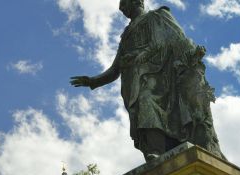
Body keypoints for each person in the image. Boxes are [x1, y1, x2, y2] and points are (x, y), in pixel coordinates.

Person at [71, 0, 226, 162]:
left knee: (147, 99)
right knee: (140, 110)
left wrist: (144, 55)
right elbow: (115, 68)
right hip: (133, 81)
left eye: (124, 4)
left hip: (161, 78)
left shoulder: (158, 16)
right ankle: (154, 154)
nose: (121, 9)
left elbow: (178, 39)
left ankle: (156, 150)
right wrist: (92, 81)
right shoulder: (126, 34)